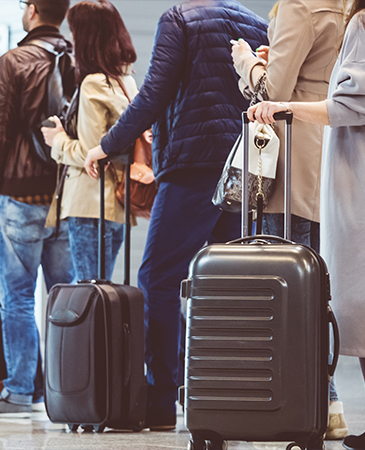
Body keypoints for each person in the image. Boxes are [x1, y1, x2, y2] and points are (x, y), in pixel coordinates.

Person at [83, 0, 268, 430]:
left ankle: (161, 401)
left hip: (194, 166)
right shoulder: (255, 22)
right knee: (224, 288)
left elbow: (154, 92)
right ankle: (221, 400)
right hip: (245, 167)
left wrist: (107, 144)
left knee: (159, 278)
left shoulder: (179, 18)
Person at [247, 2, 365, 448]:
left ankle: (310, 408)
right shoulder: (339, 12)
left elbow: (344, 102)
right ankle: (329, 409)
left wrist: (253, 70)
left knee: (311, 297)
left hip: (318, 166)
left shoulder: (322, 11)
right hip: (331, 169)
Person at [0, 0, 75, 418]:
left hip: (19, 194)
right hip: (67, 192)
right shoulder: (78, 57)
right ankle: (68, 388)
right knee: (64, 298)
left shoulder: (13, 61)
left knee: (15, 298)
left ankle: (19, 392)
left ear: (32, 10)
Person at [41, 0, 137, 282]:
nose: (71, 39)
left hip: (90, 203)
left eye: (74, 32)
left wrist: (57, 140)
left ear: (86, 36)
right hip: (117, 204)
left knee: (90, 293)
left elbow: (90, 151)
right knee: (102, 292)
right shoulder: (124, 80)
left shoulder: (93, 83)